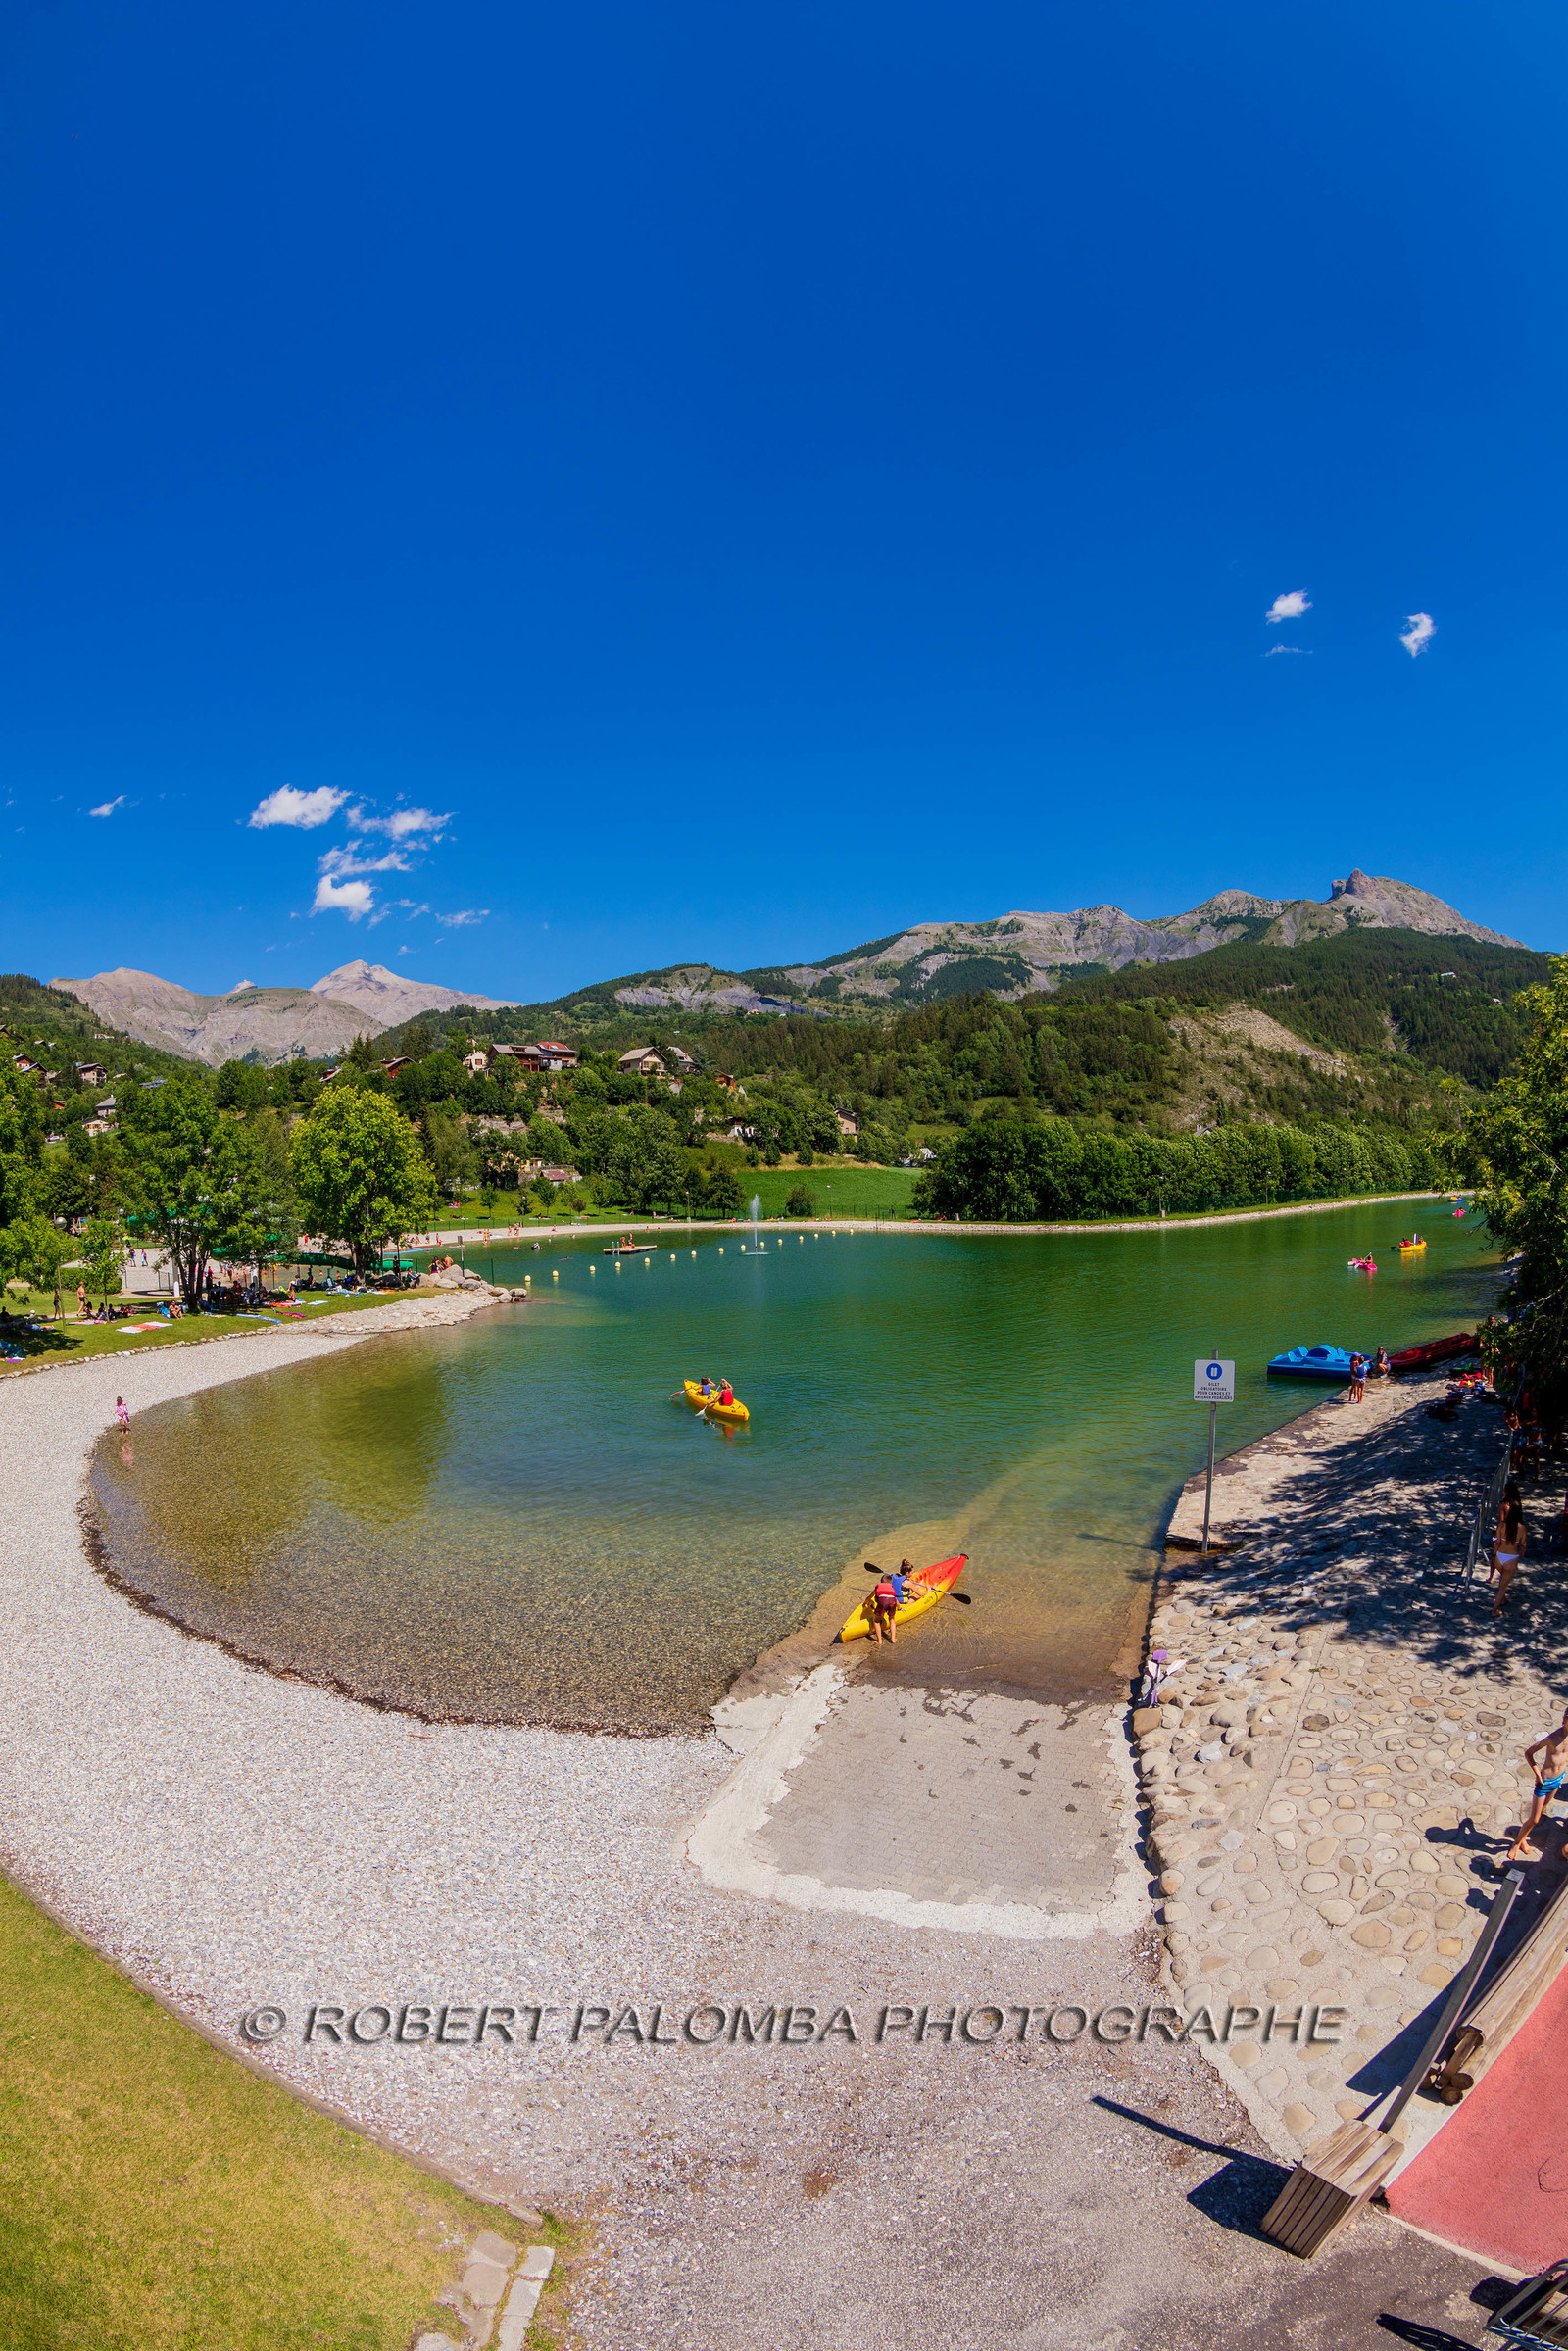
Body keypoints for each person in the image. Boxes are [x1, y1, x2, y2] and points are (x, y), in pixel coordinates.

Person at [1506, 1707, 1568, 1863]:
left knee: (1541, 1813)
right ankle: (1516, 1842)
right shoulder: (1553, 1738)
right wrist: (1538, 1774)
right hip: (1545, 1782)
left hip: (1558, 1780)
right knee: (1534, 1819)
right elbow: (1529, 1753)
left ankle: (1524, 1837)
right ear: (1564, 1720)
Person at [1489, 1480, 1527, 1615]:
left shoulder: (1501, 1526)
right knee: (1503, 1586)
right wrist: (1520, 1554)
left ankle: (1502, 1600)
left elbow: (1496, 1542)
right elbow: (1522, 1546)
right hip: (1511, 1559)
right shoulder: (1522, 1529)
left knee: (1502, 1581)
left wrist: (1493, 1555)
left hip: (1499, 1557)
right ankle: (1495, 1610)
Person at [869, 1573, 899, 1645]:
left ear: (881, 1582)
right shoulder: (891, 1587)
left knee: (876, 1620)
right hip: (892, 1601)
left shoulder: (878, 1587)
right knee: (892, 1619)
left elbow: (871, 1595)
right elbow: (895, 1600)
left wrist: (866, 1601)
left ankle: (879, 1641)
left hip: (883, 1601)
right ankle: (893, 1639)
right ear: (890, 1583)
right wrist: (899, 1607)